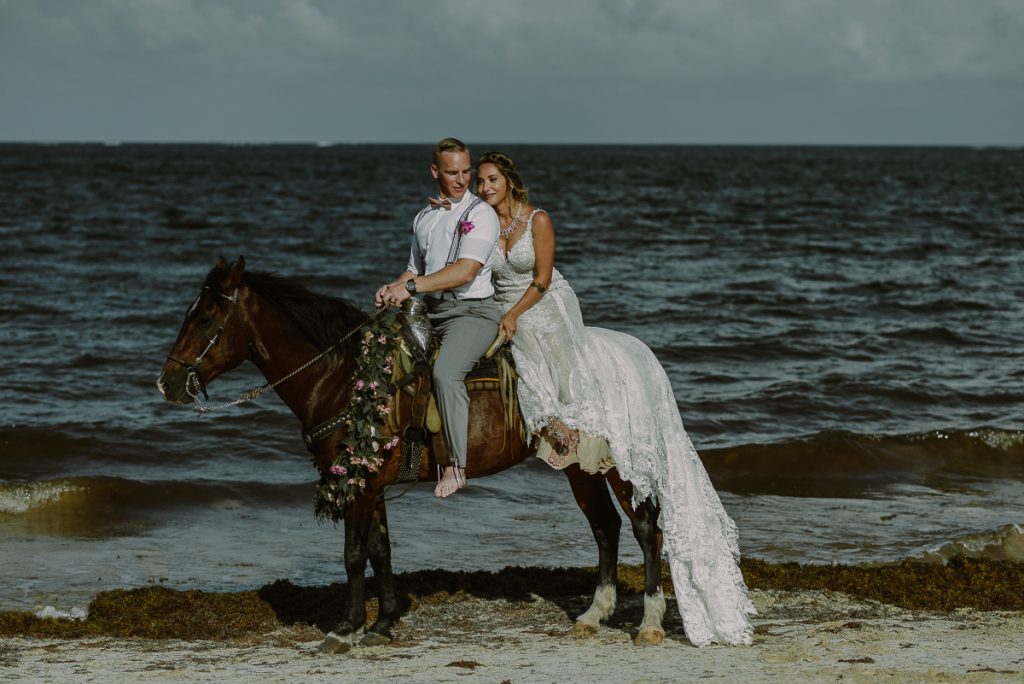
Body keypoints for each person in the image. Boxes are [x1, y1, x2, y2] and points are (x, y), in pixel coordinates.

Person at [476, 151, 755, 646]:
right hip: (506, 313)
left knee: (568, 396)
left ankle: (653, 598)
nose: (484, 188)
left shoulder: (537, 220)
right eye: (479, 182)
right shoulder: (481, 221)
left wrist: (513, 314)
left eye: (491, 180)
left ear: (509, 180)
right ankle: (603, 590)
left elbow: (542, 279)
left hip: (544, 309)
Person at [376, 138, 501, 498]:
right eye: (452, 173)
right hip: (432, 311)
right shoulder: (424, 217)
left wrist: (411, 288)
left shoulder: (481, 214)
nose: (462, 180)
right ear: (435, 172)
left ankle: (456, 465)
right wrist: (391, 288)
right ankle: (400, 455)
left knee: (446, 373)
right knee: (380, 357)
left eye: (466, 172)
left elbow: (464, 272)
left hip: (473, 312)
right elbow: (413, 270)